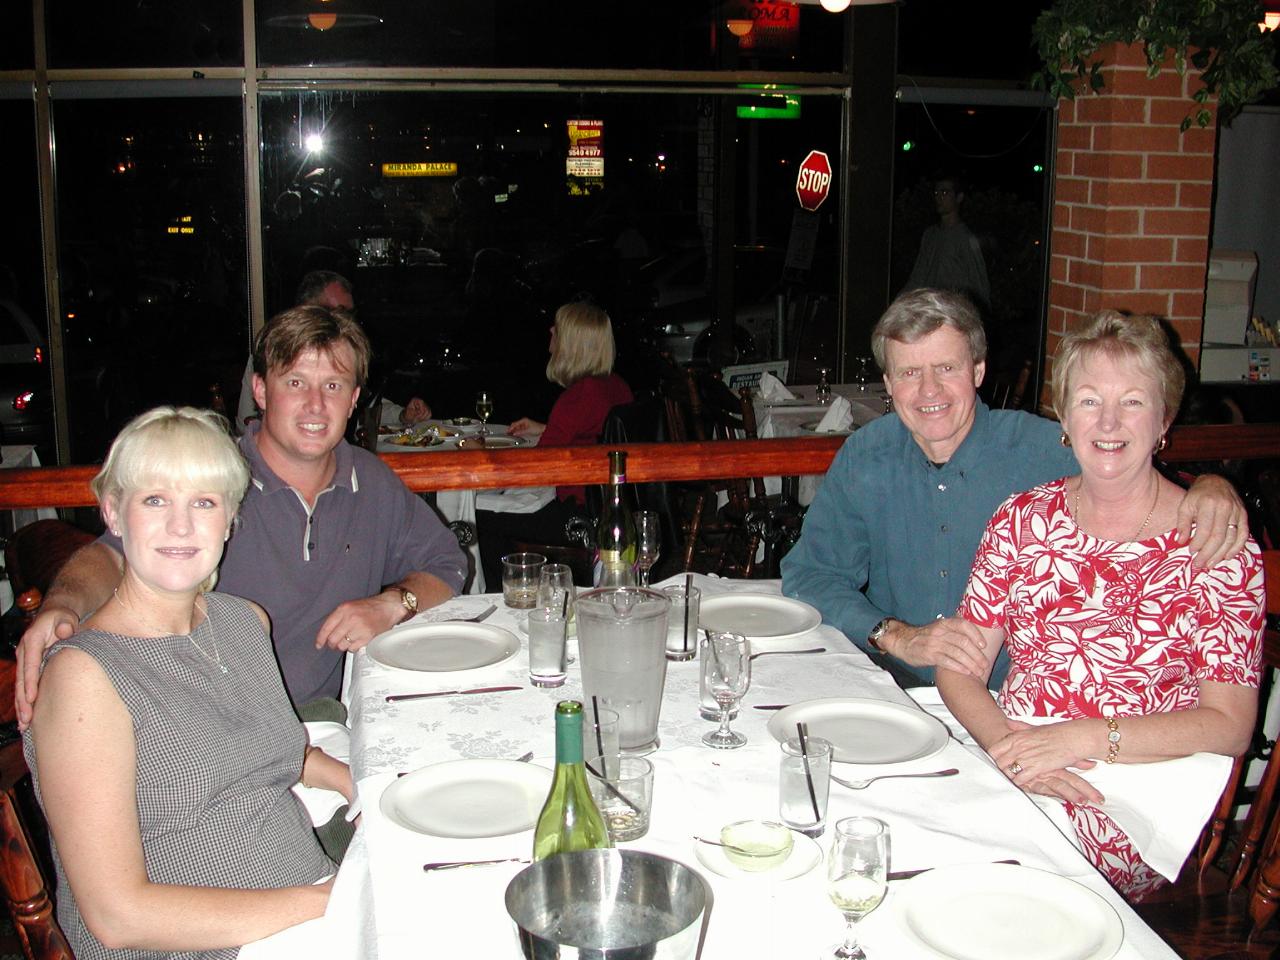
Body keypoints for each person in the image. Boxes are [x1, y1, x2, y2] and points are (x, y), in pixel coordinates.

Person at [937, 311, 1264, 900]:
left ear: (1165, 418)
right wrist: (1009, 750)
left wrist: (1081, 739)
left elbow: (1232, 726)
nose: (1108, 421)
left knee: (988, 869)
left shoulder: (1215, 547)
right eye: (1088, 400)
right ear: (1064, 415)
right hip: (1013, 755)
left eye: (1133, 402)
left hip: (1128, 793)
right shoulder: (1022, 520)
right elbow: (960, 666)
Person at [17, 304, 468, 720]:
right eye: (295, 382)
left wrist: (392, 604)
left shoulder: (369, 482)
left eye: (333, 385)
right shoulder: (213, 476)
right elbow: (112, 556)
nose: (315, 404)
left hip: (317, 720)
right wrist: (63, 603)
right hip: (208, 722)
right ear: (260, 391)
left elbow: (448, 563)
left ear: (353, 401)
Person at [780, 289, 1247, 689]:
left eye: (946, 368)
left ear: (978, 371)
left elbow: (1135, 473)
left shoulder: (1044, 451)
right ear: (887, 383)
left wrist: (1210, 485)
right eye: (909, 373)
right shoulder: (867, 456)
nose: (929, 390)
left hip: (1018, 702)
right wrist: (895, 635)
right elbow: (810, 576)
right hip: (892, 688)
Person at [24, 406, 348, 959]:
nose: (181, 526)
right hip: (198, 944)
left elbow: (270, 749)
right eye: (155, 500)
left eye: (204, 502)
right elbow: (117, 916)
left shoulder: (243, 621)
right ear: (114, 513)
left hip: (300, 911)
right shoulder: (84, 678)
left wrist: (360, 780)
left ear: (229, 519)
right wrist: (331, 900)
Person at [476, 301, 632, 586]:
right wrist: (546, 428)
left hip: (579, 517)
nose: (550, 330)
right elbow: (595, 435)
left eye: (557, 329)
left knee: (478, 519)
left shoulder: (580, 395)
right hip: (606, 508)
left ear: (573, 343)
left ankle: (499, 595)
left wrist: (480, 453)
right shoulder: (615, 385)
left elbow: (538, 467)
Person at [235, 270, 430, 433]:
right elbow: (248, 424)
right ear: (306, 309)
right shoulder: (274, 352)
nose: (346, 321)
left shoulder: (346, 354)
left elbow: (364, 404)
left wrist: (402, 415)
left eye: (349, 314)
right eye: (296, 383)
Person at [903, 174, 990, 311]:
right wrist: (900, 303)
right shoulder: (930, 235)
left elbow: (978, 283)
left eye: (945, 192)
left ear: (959, 197)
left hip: (953, 312)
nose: (939, 197)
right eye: (937, 193)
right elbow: (918, 276)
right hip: (930, 309)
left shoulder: (964, 237)